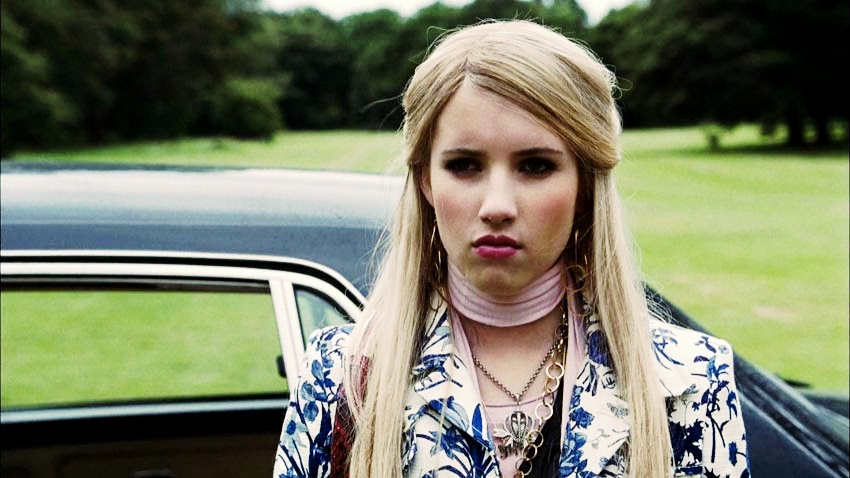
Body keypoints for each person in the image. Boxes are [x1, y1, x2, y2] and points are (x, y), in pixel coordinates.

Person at [274, 20, 750, 478]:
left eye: (536, 166)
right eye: (464, 165)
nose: (497, 206)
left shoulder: (687, 380)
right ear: (425, 180)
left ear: (585, 185)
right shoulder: (343, 375)